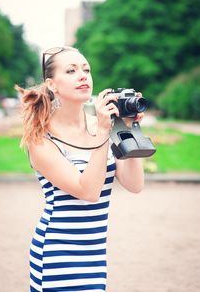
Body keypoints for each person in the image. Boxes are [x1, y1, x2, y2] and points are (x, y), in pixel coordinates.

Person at [15, 46, 144, 292]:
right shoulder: (42, 139)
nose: (83, 75)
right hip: (57, 255)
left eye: (86, 69)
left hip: (95, 256)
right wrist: (105, 133)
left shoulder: (104, 125)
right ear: (52, 84)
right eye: (71, 70)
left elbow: (134, 185)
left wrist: (129, 129)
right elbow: (88, 191)